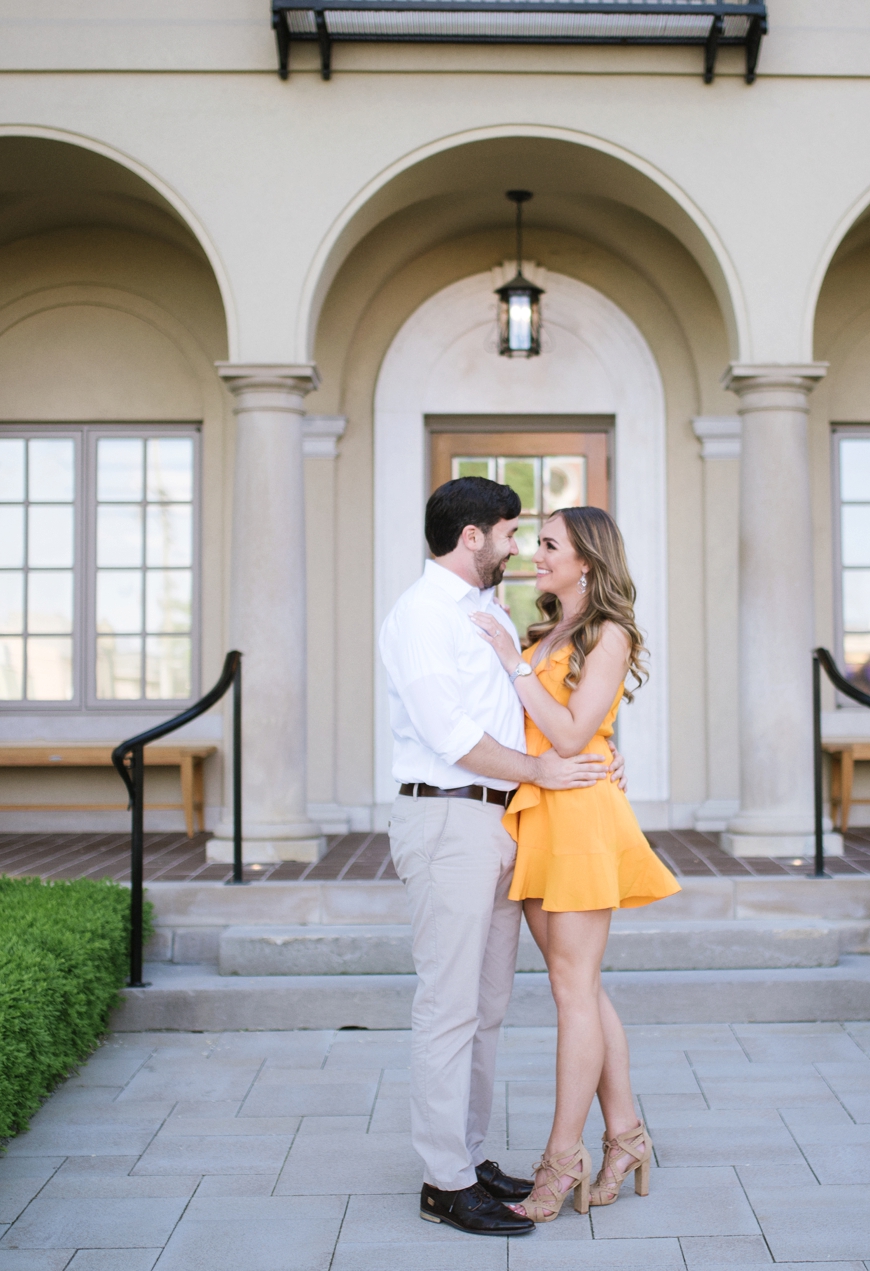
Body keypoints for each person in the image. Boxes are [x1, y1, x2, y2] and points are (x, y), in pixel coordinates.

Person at [378, 476, 621, 1238]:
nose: (520, 548)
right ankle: (443, 1182)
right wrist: (543, 771)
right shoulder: (420, 616)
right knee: (448, 1006)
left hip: (500, 823)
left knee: (485, 1009)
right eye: (513, 533)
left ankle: (468, 1156)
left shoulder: (485, 612)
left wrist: (596, 756)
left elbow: (537, 710)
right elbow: (453, 736)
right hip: (447, 819)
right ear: (474, 535)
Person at [469, 505, 680, 1222]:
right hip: (537, 816)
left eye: (550, 544)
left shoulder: (609, 633)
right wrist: (521, 661)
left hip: (582, 820)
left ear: (586, 560)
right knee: (579, 986)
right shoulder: (543, 629)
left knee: (571, 990)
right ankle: (626, 1136)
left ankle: (564, 1158)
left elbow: (567, 733)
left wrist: (514, 665)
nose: (535, 553)